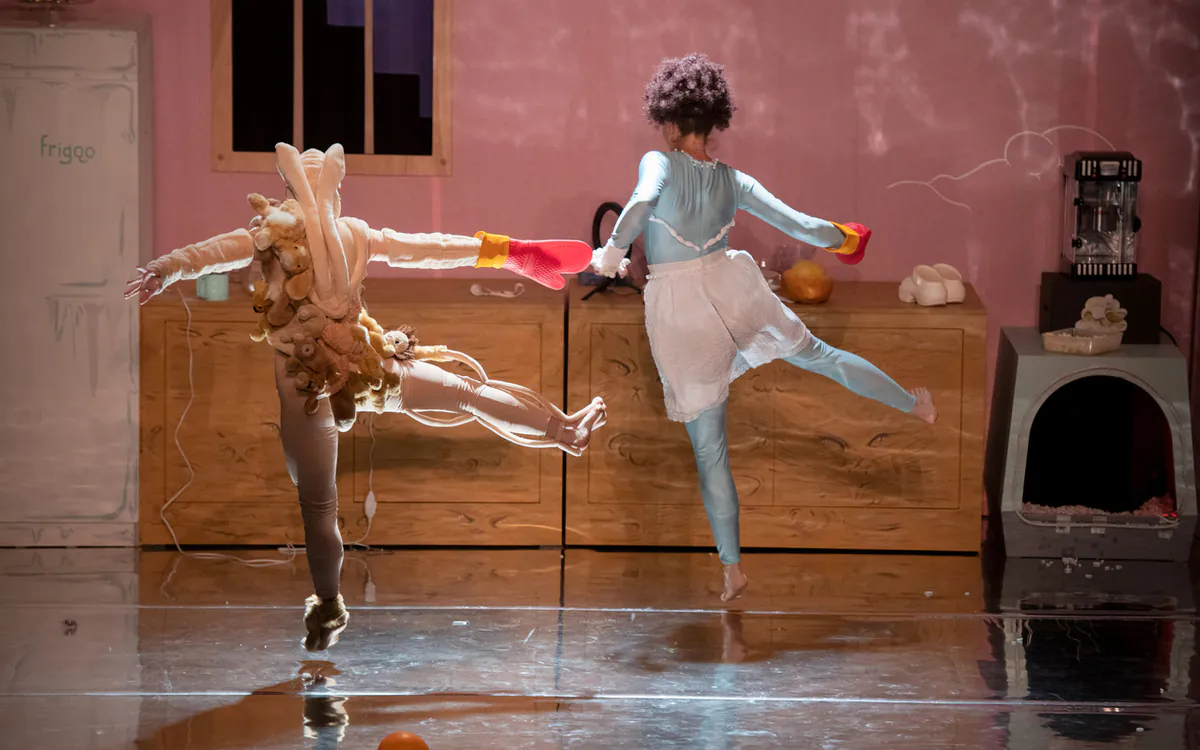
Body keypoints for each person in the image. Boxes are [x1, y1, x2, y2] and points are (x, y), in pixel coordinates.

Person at [127, 142, 607, 651]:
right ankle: (561, 429)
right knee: (465, 394)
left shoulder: (270, 236)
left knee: (320, 504)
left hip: (328, 376)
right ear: (335, 189)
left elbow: (210, 254)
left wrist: (166, 269)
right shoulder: (344, 234)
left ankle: (330, 605)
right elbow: (428, 248)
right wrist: (504, 251)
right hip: (353, 367)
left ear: (288, 188)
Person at [591, 54, 936, 603]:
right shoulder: (735, 181)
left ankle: (733, 570)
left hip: (681, 312)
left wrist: (610, 253)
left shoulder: (657, 160)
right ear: (713, 121)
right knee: (820, 354)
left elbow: (639, 205)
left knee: (711, 452)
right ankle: (912, 405)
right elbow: (804, 227)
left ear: (673, 122)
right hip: (734, 289)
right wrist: (848, 240)